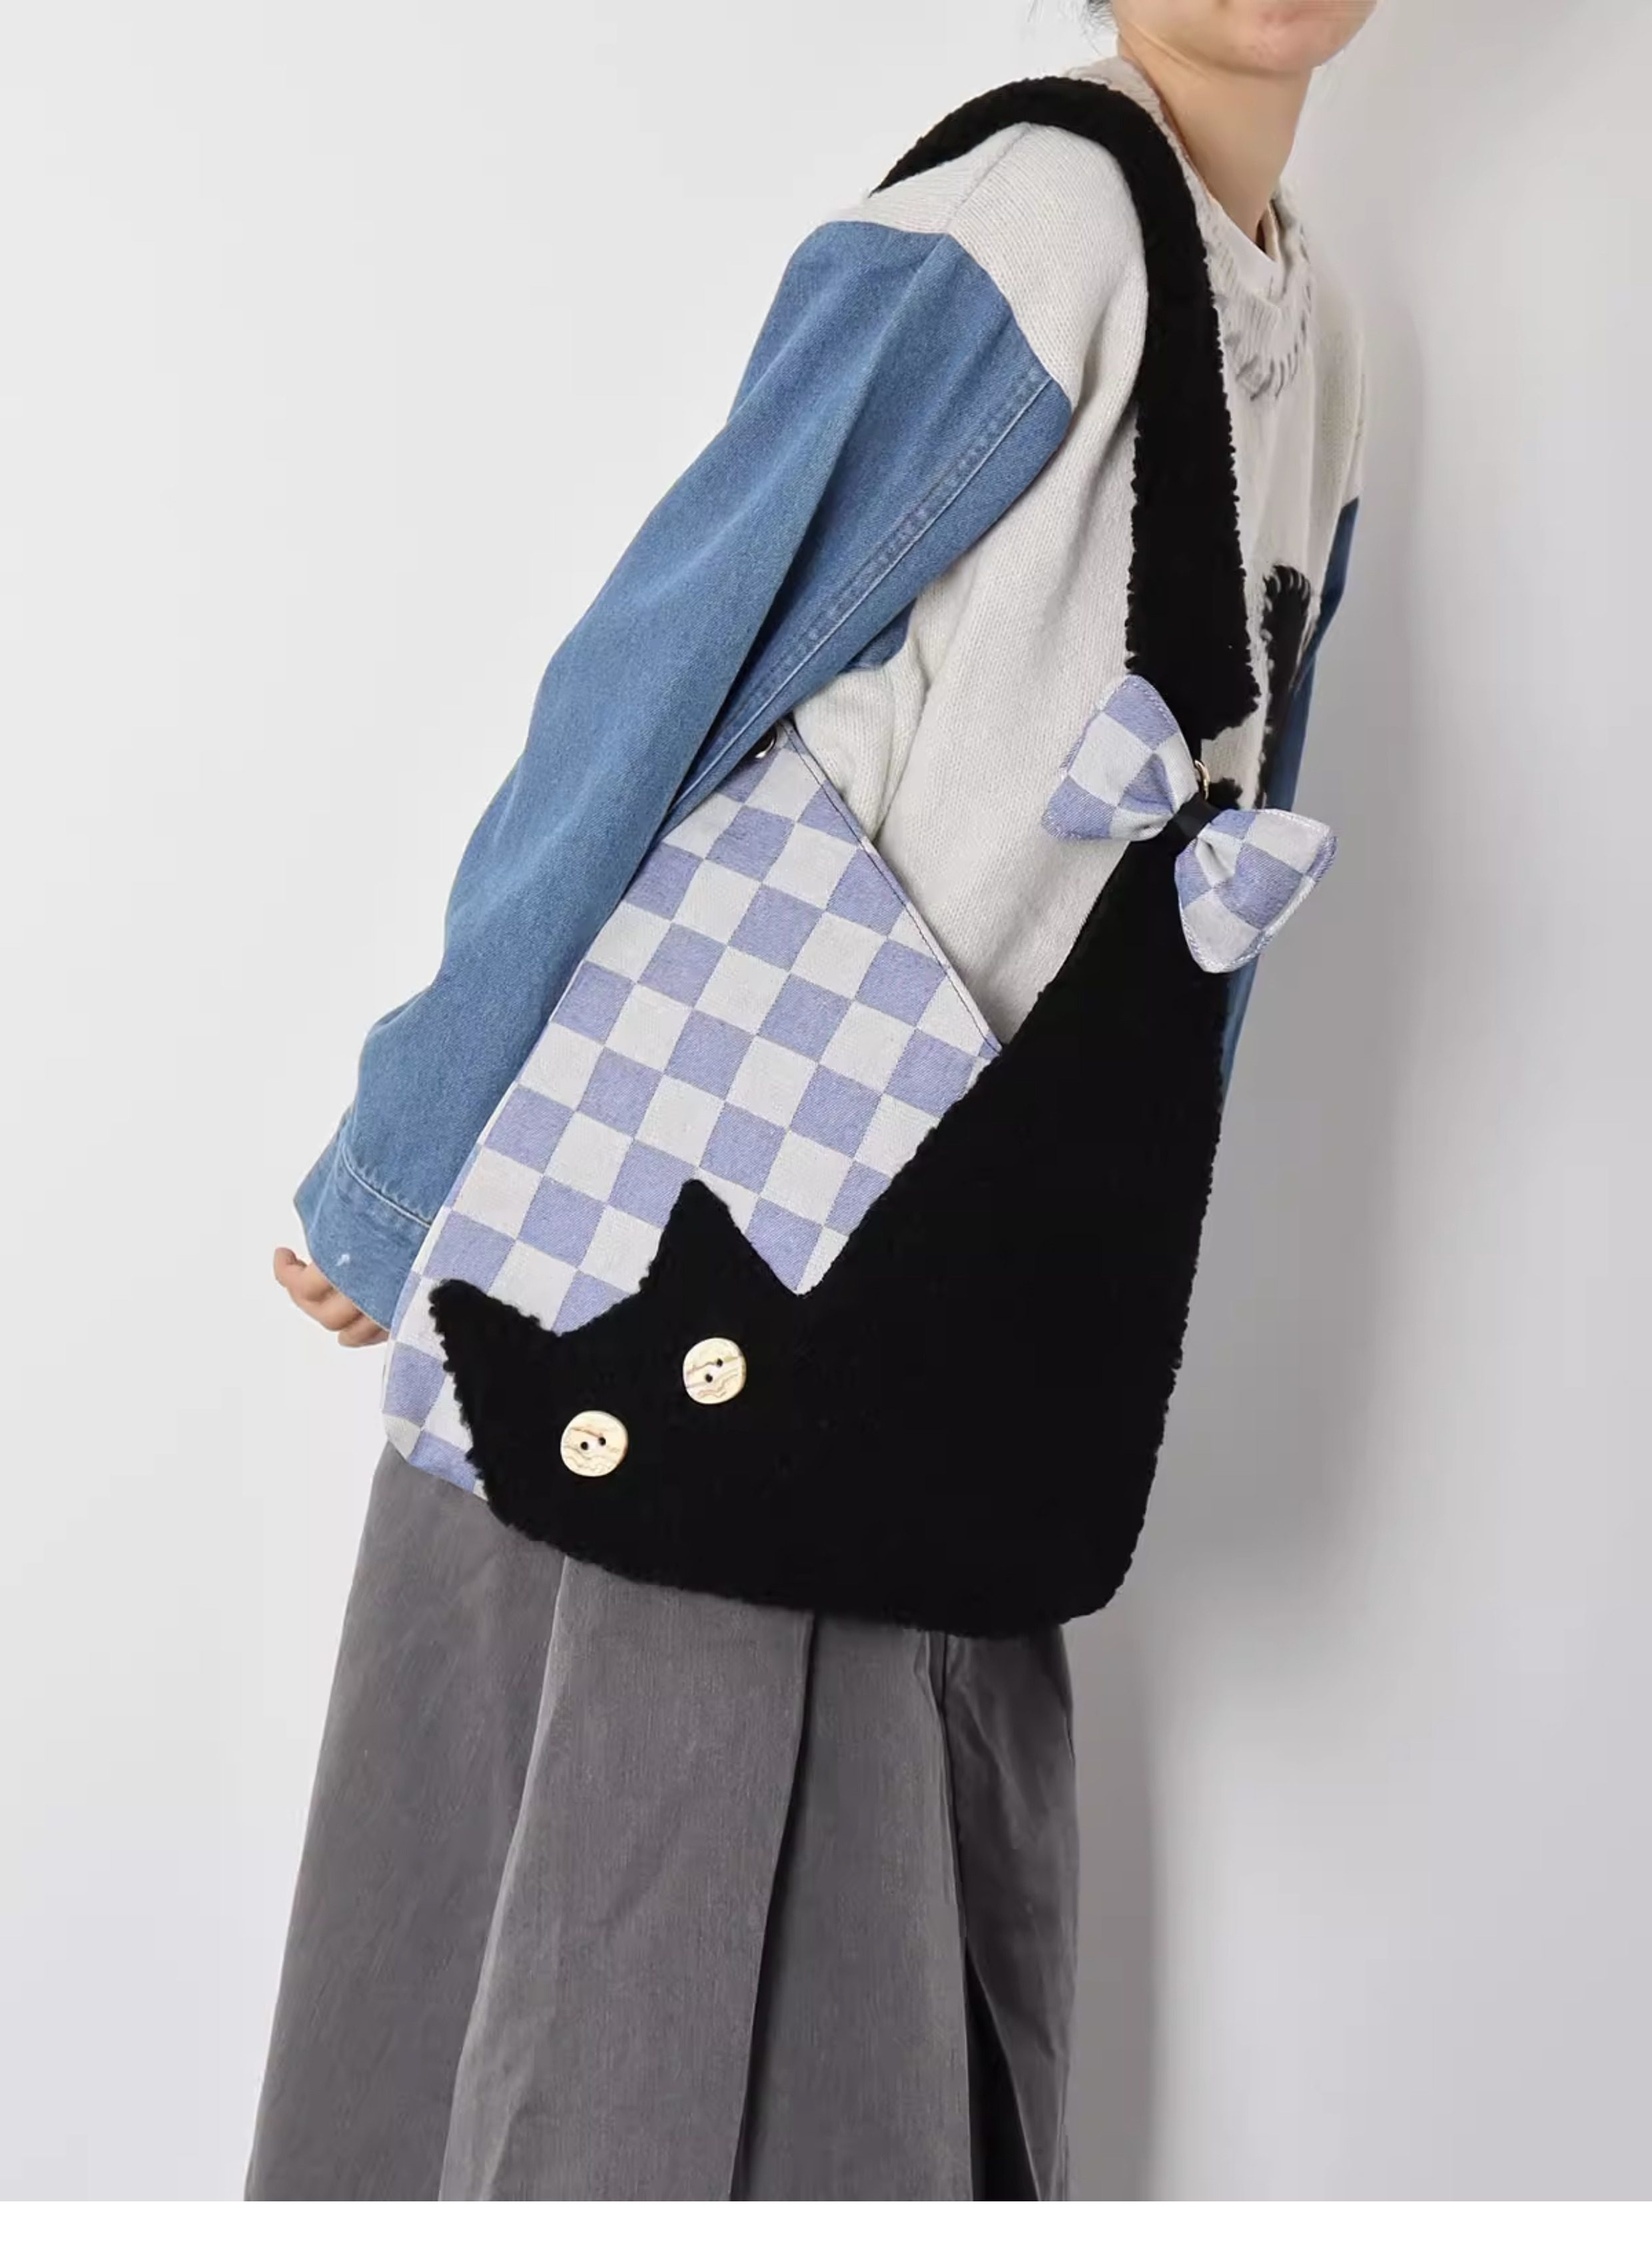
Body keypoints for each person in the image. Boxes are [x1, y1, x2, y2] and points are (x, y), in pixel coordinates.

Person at [252, 0, 1375, 2200]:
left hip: (949, 1327)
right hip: (718, 1272)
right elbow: (669, 661)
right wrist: (407, 1150)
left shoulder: (1313, 340)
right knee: (627, 1987)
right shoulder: (1033, 225)